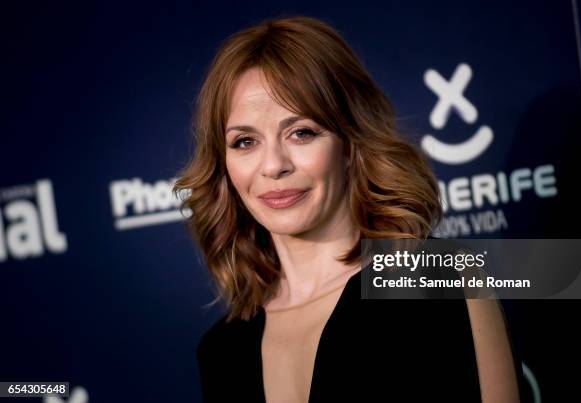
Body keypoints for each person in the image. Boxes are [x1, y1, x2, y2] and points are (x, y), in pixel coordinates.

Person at [173, 16, 523, 403]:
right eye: (244, 142)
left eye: (301, 133)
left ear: (349, 144)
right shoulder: (222, 351)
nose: (273, 165)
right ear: (223, 164)